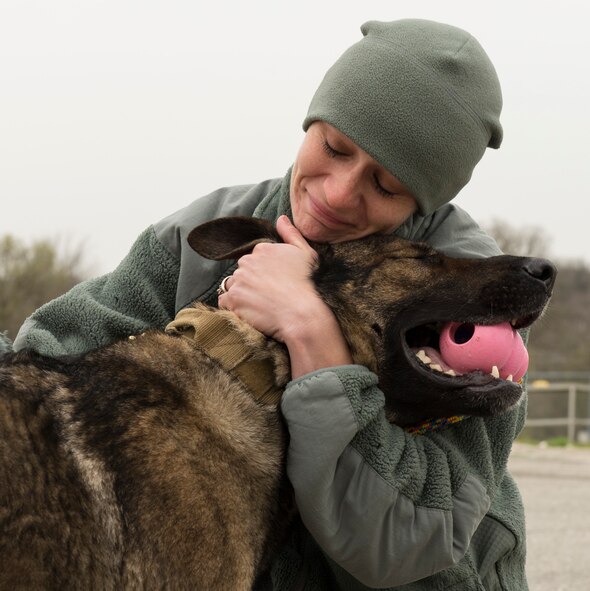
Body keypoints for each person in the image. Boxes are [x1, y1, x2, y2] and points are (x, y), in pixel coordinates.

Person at [13, 19, 528, 590]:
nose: (336, 193)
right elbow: (45, 368)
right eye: (333, 147)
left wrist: (314, 337)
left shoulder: (473, 297)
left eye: (385, 185)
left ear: (425, 201)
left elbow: (407, 542)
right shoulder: (193, 238)